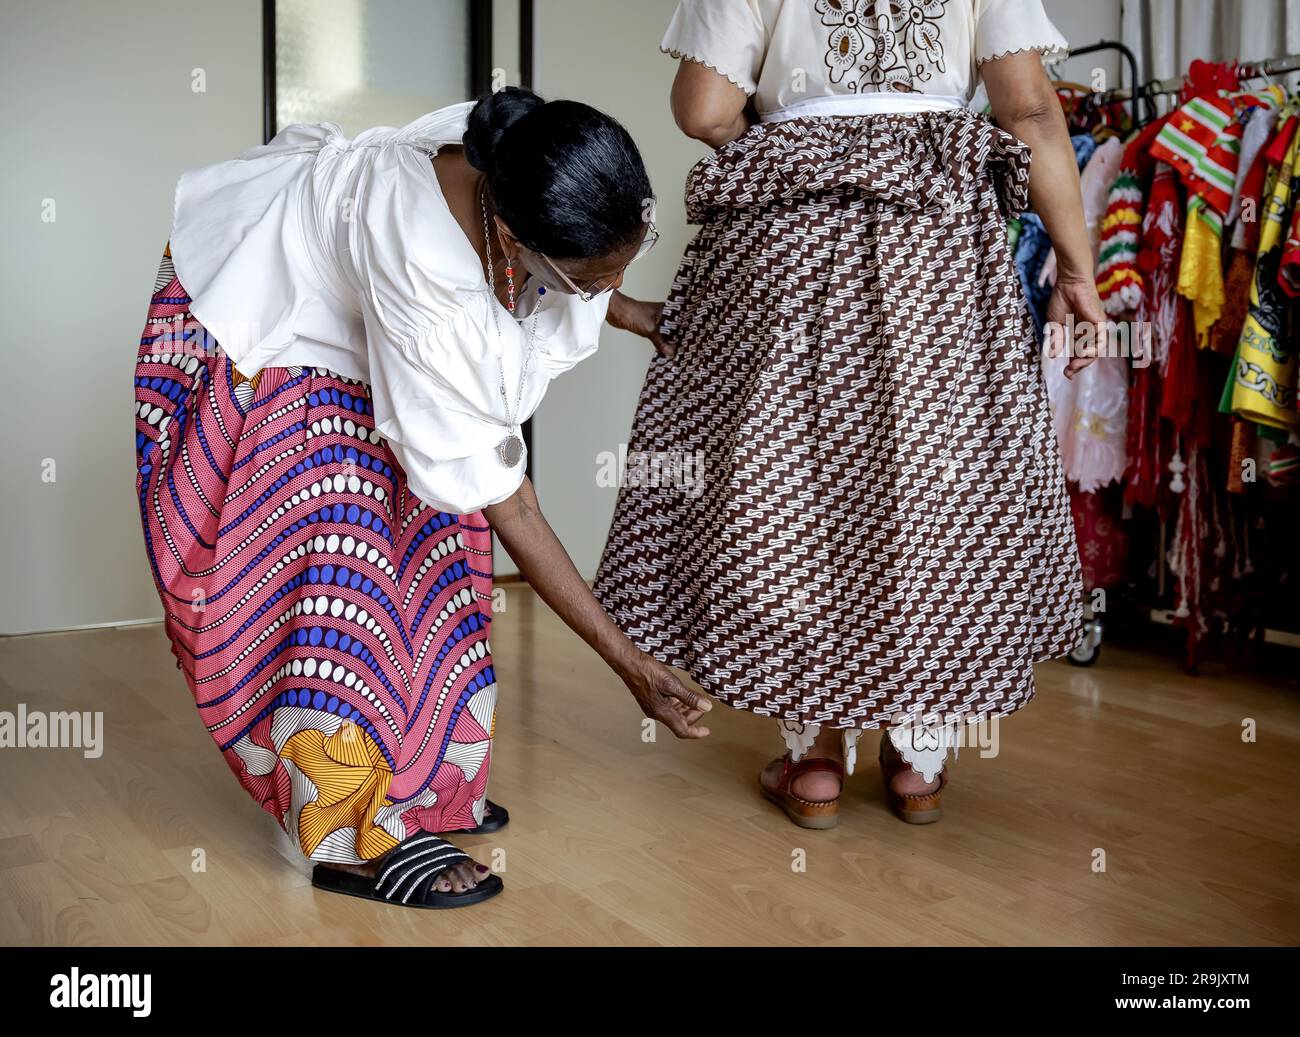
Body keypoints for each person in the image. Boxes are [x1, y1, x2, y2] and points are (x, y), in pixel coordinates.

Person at [134, 87, 710, 909]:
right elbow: (512, 503)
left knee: (438, 545)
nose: (606, 283)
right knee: (342, 566)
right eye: (592, 278)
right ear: (512, 243)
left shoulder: (523, 147)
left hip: (359, 299)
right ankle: (351, 832)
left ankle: (428, 783)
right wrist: (629, 663)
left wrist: (622, 306)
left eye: (628, 254)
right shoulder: (427, 284)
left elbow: (568, 256)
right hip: (266, 312)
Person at [595, 0, 1097, 829]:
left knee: (796, 486)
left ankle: (815, 758)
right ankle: (918, 757)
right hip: (935, 241)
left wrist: (801, 137)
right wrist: (1077, 270)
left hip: (790, 236)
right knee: (936, 483)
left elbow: (703, 109)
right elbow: (1030, 108)